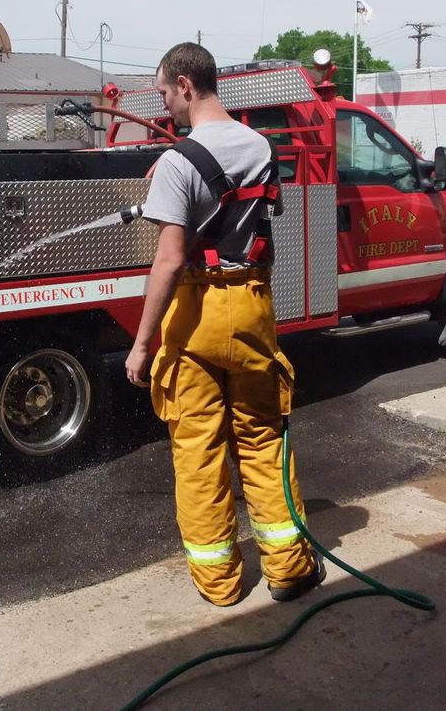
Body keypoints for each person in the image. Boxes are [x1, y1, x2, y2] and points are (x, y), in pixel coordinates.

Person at [124, 43, 324, 607]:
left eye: (164, 92)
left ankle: (221, 584)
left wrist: (143, 344)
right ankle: (288, 568)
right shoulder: (262, 146)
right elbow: (261, 229)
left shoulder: (177, 161)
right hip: (252, 306)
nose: (165, 106)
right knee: (262, 441)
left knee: (198, 449)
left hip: (196, 313)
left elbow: (168, 259)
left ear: (185, 85)